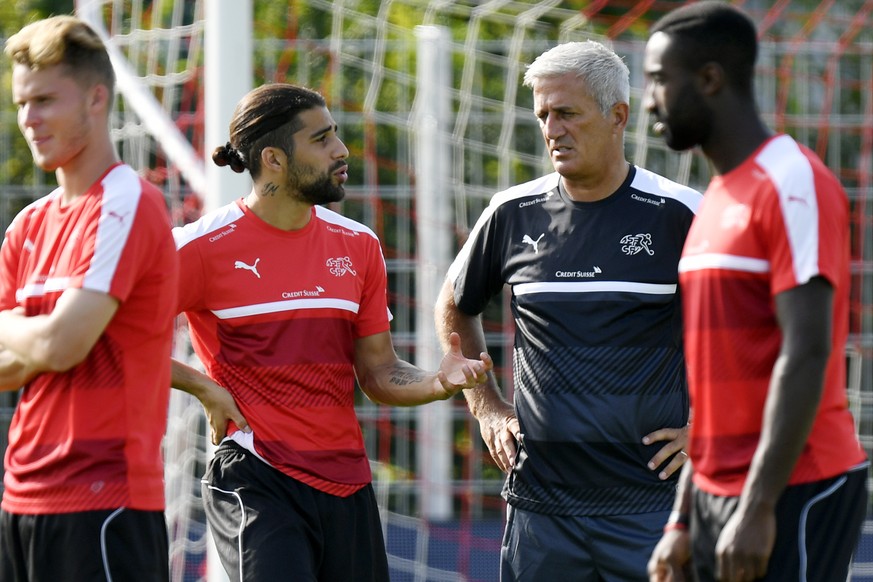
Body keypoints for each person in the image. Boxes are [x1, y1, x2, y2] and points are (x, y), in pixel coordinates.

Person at [170, 82, 494, 581]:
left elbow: (379, 370)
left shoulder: (358, 245)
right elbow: (114, 335)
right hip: (257, 472)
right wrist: (203, 388)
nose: (341, 151)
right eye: (321, 139)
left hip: (346, 482)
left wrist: (437, 382)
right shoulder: (199, 248)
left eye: (336, 135)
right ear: (274, 159)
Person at [435, 40, 703, 580]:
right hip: (541, 507)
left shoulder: (682, 214)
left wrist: (710, 429)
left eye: (567, 113)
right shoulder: (512, 212)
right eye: (543, 115)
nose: (552, 129)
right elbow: (453, 307)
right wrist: (487, 407)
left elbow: (747, 332)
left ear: (618, 116)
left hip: (651, 504)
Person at [643, 3, 869, 581]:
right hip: (719, 494)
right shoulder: (717, 195)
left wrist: (760, 506)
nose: (649, 102)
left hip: (793, 487)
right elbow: (713, 384)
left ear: (710, 79)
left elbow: (808, 350)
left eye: (658, 81)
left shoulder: (792, 181)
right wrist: (682, 520)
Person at [0, 15, 178, 582]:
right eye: (22, 103)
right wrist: (43, 336)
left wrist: (27, 331)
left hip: (105, 502)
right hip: (21, 498)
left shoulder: (127, 203)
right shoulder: (26, 227)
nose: (29, 119)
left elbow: (62, 344)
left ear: (96, 98)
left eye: (46, 100)